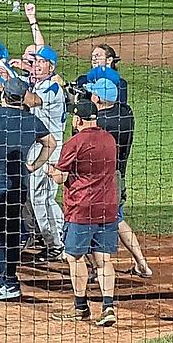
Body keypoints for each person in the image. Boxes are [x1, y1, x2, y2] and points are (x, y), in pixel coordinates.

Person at [0, 77, 56, 301]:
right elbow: (51, 143)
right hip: (19, 185)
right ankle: (7, 274)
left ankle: (8, 281)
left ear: (3, 95)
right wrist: (33, 166)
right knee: (11, 232)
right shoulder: (31, 120)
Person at [50, 101, 120, 327]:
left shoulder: (75, 142)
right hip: (107, 207)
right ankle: (108, 306)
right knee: (103, 260)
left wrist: (52, 171)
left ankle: (81, 307)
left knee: (75, 257)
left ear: (77, 120)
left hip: (81, 208)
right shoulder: (110, 139)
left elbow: (60, 177)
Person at [88, 78, 152, 278]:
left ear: (97, 98)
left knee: (85, 221)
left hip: (100, 180)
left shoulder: (100, 124)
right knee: (116, 219)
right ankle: (141, 264)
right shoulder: (127, 114)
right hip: (118, 176)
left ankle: (95, 269)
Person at [24, 45, 67, 262]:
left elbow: (31, 101)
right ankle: (60, 238)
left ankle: (56, 244)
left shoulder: (52, 88)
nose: (37, 66)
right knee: (44, 197)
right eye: (35, 62)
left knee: (40, 197)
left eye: (41, 62)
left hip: (50, 148)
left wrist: (7, 83)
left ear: (51, 67)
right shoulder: (41, 85)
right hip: (40, 146)